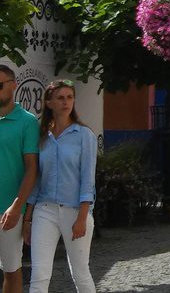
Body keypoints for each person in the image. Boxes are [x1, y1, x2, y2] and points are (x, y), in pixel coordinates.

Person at [26, 79, 97, 293]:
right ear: (48, 103)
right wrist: (28, 217)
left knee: (80, 272)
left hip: (75, 211)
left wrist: (82, 217)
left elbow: (88, 179)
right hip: (44, 210)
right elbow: (37, 179)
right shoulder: (41, 137)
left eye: (69, 97)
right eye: (60, 98)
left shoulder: (84, 136)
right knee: (39, 273)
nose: (66, 102)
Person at [0, 65, 38, 293]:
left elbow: (32, 168)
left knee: (11, 270)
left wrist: (17, 207)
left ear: (14, 85)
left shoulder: (27, 121)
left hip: (9, 209)